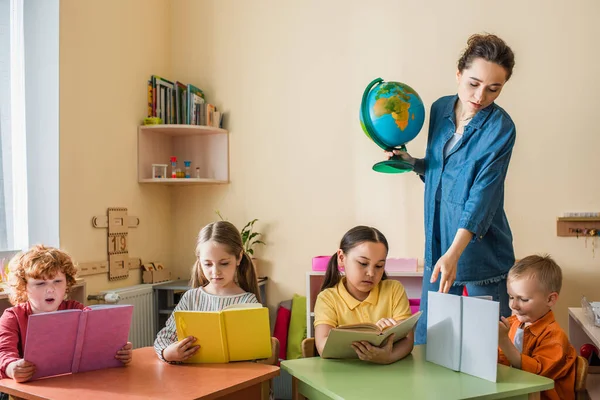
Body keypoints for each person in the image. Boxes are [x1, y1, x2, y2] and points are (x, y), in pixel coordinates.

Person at [389, 33, 517, 344]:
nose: (480, 96)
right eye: (473, 83)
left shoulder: (501, 129)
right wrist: (415, 163)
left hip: (480, 258)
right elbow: (444, 174)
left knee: (485, 354)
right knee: (430, 346)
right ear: (458, 74)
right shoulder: (439, 110)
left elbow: (480, 197)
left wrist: (454, 254)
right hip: (438, 249)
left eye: (493, 89)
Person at [0, 245, 133, 382]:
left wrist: (119, 350)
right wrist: (11, 368)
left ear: (67, 284)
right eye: (40, 284)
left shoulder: (76, 309)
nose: (50, 289)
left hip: (71, 385)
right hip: (29, 390)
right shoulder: (12, 317)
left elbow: (101, 340)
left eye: (57, 281)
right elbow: (3, 353)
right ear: (23, 288)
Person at [154, 220, 261, 363]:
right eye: (208, 264)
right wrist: (167, 353)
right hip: (195, 379)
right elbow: (164, 337)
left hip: (235, 379)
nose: (215, 271)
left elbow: (257, 351)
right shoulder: (191, 298)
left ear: (239, 257)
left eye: (224, 263)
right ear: (199, 260)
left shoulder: (248, 301)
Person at [313, 226, 414, 364]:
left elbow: (408, 340)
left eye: (379, 266)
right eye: (363, 263)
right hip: (343, 377)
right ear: (341, 258)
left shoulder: (394, 290)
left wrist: (387, 357)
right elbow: (322, 346)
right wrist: (369, 338)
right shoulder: (327, 298)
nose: (371, 273)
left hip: (388, 375)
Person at [498, 255, 576, 400]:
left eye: (523, 299)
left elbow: (535, 374)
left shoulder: (555, 336)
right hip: (515, 392)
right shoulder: (513, 323)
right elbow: (502, 360)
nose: (513, 305)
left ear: (550, 299)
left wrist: (503, 342)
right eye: (511, 297)